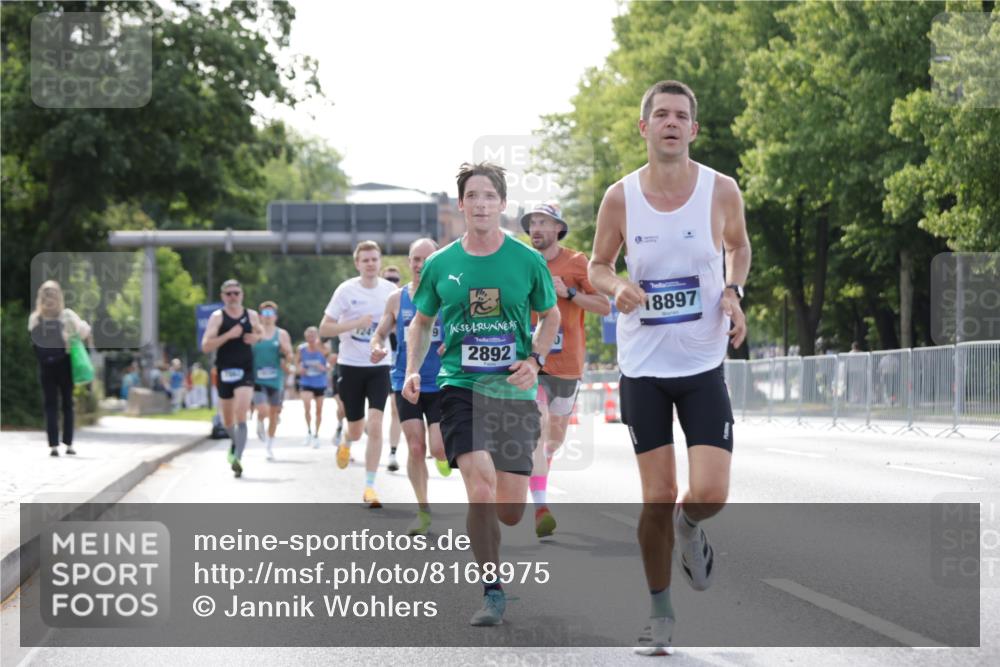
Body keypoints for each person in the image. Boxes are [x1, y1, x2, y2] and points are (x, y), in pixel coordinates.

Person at [588, 80, 750, 655]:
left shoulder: (720, 189)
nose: (672, 123)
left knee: (708, 493)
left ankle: (691, 527)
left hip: (703, 362)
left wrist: (731, 292)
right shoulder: (620, 197)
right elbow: (598, 263)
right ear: (645, 127)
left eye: (682, 115)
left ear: (693, 129)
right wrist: (617, 286)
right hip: (643, 368)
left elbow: (739, 245)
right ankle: (659, 613)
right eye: (661, 114)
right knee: (657, 495)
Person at [404, 162, 559, 626]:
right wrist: (414, 369)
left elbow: (549, 317)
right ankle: (492, 590)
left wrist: (535, 361)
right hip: (461, 386)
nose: (481, 204)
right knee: (480, 487)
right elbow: (422, 322)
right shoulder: (440, 263)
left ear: (503, 204)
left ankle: (505, 527)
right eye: (472, 196)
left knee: (510, 509)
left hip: (511, 390)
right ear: (461, 204)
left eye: (489, 196)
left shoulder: (526, 260)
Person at [521, 201, 611, 538]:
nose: (537, 229)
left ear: (558, 228)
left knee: (553, 440)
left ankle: (541, 472)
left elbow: (603, 305)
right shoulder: (521, 261)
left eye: (544, 222)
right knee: (537, 427)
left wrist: (569, 292)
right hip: (532, 361)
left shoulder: (577, 262)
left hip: (568, 364)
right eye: (532, 223)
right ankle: (541, 505)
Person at [371, 238, 452, 536]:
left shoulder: (449, 295)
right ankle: (423, 510)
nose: (419, 265)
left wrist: (451, 344)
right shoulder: (397, 298)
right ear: (409, 261)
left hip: (442, 381)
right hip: (406, 381)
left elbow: (468, 330)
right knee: (415, 447)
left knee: (439, 449)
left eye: (426, 259)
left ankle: (444, 457)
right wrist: (377, 347)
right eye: (415, 259)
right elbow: (379, 334)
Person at [319, 240, 397, 508]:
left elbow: (402, 324)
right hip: (350, 366)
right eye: (365, 260)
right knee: (355, 429)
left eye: (375, 259)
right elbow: (324, 329)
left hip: (379, 366)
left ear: (380, 261)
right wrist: (355, 323)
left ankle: (370, 487)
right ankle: (345, 440)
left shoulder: (390, 291)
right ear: (357, 264)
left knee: (376, 425)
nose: (371, 264)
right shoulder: (346, 291)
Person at [201, 279, 263, 478]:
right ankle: (235, 444)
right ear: (222, 296)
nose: (233, 297)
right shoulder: (217, 317)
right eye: (229, 294)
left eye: (236, 292)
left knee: (241, 412)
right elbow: (206, 346)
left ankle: (238, 457)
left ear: (242, 294)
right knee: (228, 419)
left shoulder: (251, 315)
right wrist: (228, 335)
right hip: (224, 370)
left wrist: (256, 338)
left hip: (245, 370)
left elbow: (260, 333)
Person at [28, 280, 91, 457]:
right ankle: (69, 444)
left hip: (45, 365)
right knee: (67, 403)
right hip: (65, 362)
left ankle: (53, 445)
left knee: (50, 404)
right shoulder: (67, 315)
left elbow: (33, 341)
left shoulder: (35, 318)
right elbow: (84, 332)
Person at [253, 301, 293, 460]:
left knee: (274, 414)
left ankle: (269, 445)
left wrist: (285, 351)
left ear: (275, 317)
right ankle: (260, 419)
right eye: (264, 314)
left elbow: (289, 356)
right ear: (260, 316)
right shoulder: (255, 332)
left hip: (276, 379)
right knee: (263, 409)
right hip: (257, 379)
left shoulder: (282, 334)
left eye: (270, 314)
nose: (267, 317)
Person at [381, 264, 404, 472]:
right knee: (391, 409)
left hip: (408, 362)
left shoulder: (404, 300)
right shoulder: (381, 304)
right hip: (386, 362)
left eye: (395, 279)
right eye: (388, 279)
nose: (392, 282)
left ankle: (393, 452)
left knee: (397, 409)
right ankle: (393, 451)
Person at [296, 326, 330, 448]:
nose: (311, 338)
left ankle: (316, 434)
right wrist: (300, 368)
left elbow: (330, 364)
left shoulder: (324, 349)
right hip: (306, 382)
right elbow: (297, 363)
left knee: (319, 410)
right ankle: (309, 431)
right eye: (309, 335)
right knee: (307, 406)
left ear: (317, 336)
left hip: (320, 382)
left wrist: (324, 367)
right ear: (305, 336)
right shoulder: (301, 349)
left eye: (313, 335)